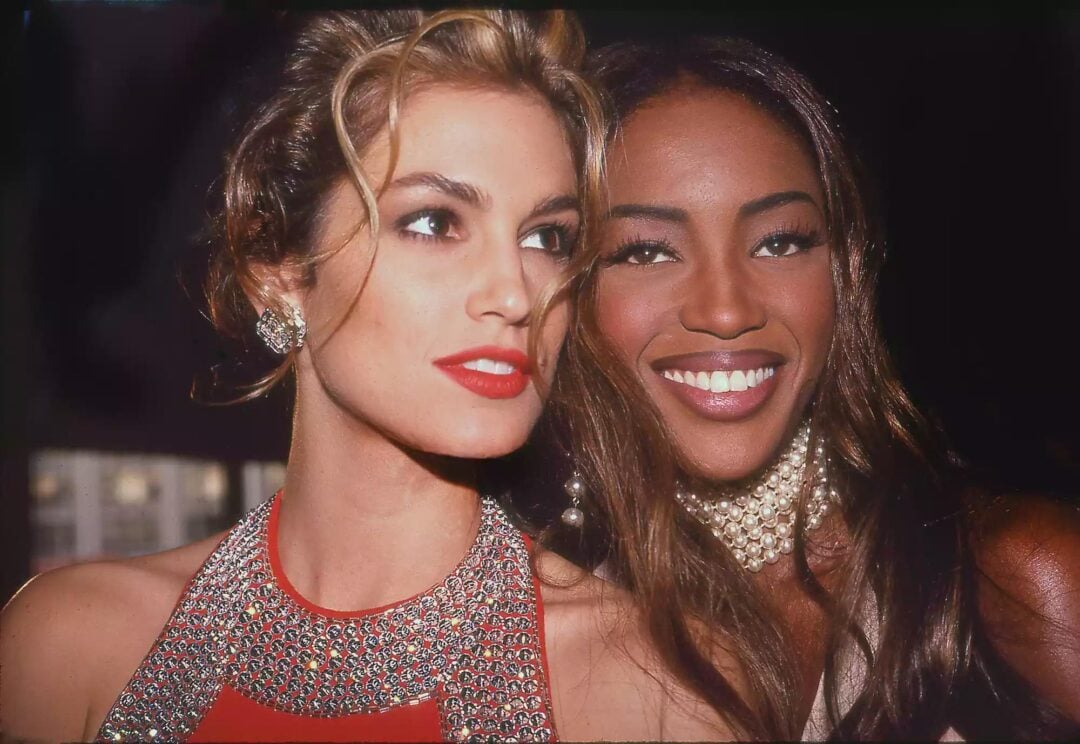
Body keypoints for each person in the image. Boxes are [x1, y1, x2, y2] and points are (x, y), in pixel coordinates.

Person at [0, 11, 724, 742]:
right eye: (436, 223)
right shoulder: (70, 645)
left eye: (546, 238)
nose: (514, 294)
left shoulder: (659, 691)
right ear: (280, 273)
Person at [537, 36, 1080, 740]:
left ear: (844, 273)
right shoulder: (526, 617)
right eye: (645, 250)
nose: (727, 310)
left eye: (779, 241)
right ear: (565, 294)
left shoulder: (1015, 571)